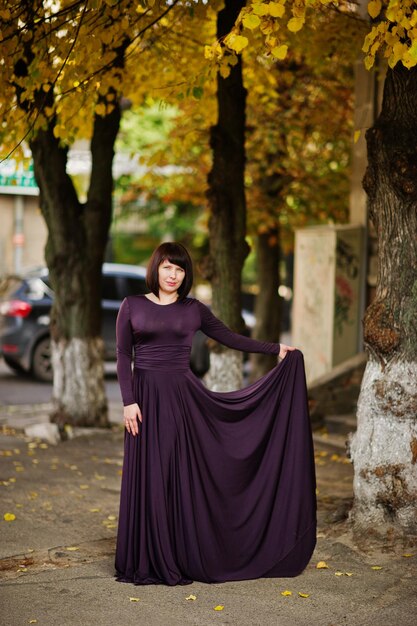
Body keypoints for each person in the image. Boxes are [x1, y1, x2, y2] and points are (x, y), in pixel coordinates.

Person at [115, 242, 316, 586]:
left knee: (174, 473)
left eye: (179, 269)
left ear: (185, 275)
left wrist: (276, 348)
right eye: (167, 267)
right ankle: (147, 556)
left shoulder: (194, 309)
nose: (172, 275)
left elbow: (229, 337)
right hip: (145, 400)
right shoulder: (131, 305)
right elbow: (122, 355)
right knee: (149, 473)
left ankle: (176, 553)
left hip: (182, 400)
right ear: (156, 269)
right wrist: (128, 400)